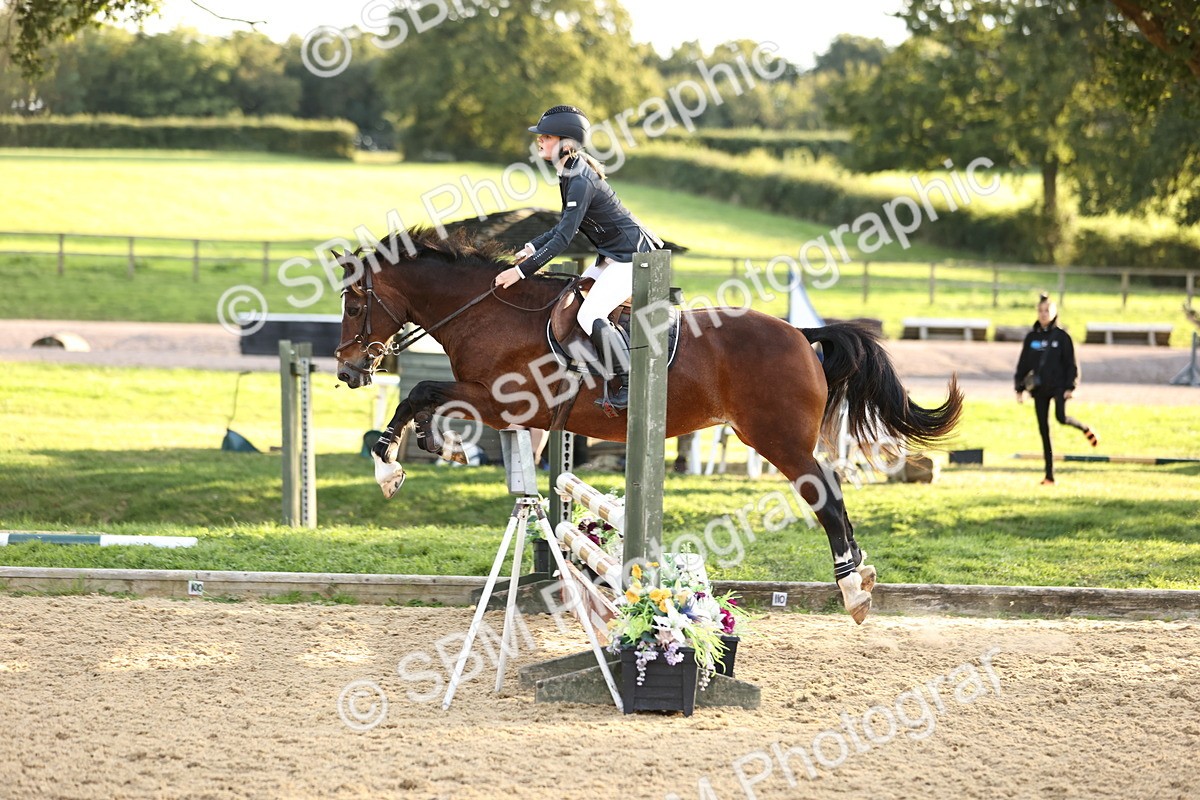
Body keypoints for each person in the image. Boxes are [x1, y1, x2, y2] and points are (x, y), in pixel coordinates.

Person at [493, 105, 662, 410]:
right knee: (569, 299)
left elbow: (564, 238)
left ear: (566, 143)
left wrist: (520, 273)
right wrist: (532, 247)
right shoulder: (570, 172)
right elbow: (564, 225)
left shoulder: (580, 178)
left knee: (588, 315)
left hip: (634, 257)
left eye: (546, 136)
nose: (539, 142)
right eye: (539, 137)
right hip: (614, 256)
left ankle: (631, 382)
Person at [1014, 293, 1099, 485]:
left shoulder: (1062, 337)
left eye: (1047, 311)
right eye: (1041, 311)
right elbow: (1023, 364)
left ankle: (1086, 428)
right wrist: (1019, 388)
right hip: (1039, 389)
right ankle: (1049, 476)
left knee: (1061, 418)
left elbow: (1072, 364)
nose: (1043, 314)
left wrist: (1071, 387)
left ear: (1054, 313)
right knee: (1044, 430)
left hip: (1059, 386)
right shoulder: (1031, 338)